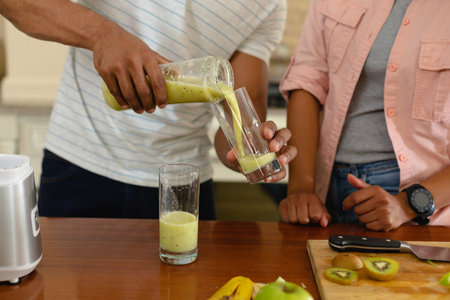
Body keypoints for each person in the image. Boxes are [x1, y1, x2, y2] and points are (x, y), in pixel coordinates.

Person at [0, 0, 297, 220]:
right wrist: (101, 33)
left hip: (182, 188)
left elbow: (239, 120)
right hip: (79, 168)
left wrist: (254, 148)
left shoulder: (267, 5)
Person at [278, 0, 450, 231]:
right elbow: (306, 82)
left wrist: (409, 204)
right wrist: (301, 188)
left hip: (424, 206)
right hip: (327, 188)